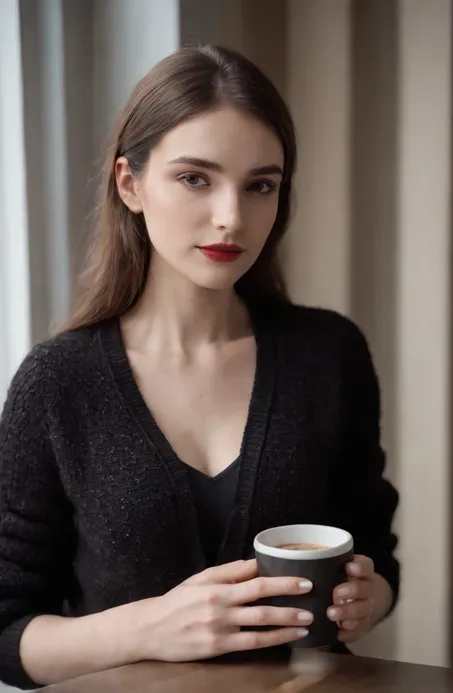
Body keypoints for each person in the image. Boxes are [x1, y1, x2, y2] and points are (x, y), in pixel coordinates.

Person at [0, 44, 399, 689]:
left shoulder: (330, 354)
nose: (231, 218)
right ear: (131, 184)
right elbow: (5, 631)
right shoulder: (56, 383)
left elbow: (377, 558)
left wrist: (368, 599)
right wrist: (152, 628)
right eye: (195, 178)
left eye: (259, 185)